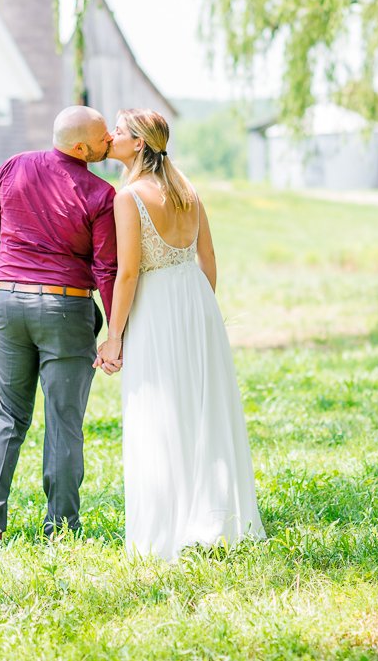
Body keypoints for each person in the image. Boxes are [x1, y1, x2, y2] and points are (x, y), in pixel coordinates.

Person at [94, 108, 265, 561]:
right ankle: (214, 516)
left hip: (156, 306)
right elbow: (208, 261)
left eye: (120, 131)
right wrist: (200, 312)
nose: (111, 136)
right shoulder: (188, 190)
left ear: (139, 144)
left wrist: (115, 337)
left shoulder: (128, 198)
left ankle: (167, 527)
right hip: (195, 301)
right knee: (201, 407)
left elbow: (128, 273)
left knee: (158, 409)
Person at [0, 105, 117, 540]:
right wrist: (116, 333)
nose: (110, 139)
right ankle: (61, 527)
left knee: (6, 417)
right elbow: (106, 269)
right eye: (101, 137)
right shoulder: (101, 194)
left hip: (10, 302)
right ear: (80, 147)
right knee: (63, 421)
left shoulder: (12, 168)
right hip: (66, 309)